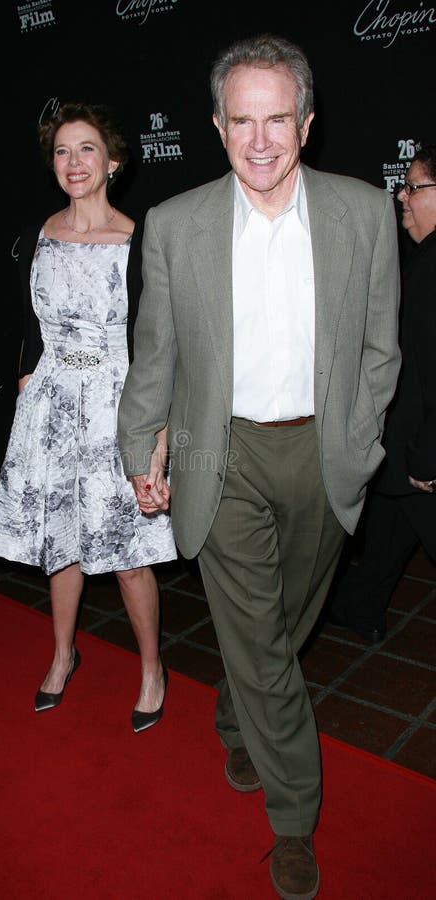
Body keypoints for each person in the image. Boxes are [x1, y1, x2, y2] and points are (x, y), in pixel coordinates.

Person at [117, 34, 400, 900]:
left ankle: (237, 706)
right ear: (217, 125)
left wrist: (355, 443)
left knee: (286, 619)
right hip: (221, 451)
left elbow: (379, 352)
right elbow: (155, 354)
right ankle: (293, 818)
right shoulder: (176, 225)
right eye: (243, 120)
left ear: (307, 124)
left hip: (323, 451)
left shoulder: (362, 212)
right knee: (264, 641)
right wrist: (142, 444)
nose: (262, 140)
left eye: (279, 118)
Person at [0, 101, 176, 733]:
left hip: (119, 409)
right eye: (63, 151)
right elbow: (29, 327)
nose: (74, 162)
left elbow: (157, 348)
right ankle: (64, 653)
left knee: (128, 553)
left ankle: (152, 667)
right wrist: (28, 384)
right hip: (51, 407)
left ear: (113, 161)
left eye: (87, 149)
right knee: (57, 540)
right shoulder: (38, 235)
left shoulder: (138, 240)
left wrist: (157, 439)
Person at [327, 144, 436, 643]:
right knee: (391, 525)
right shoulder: (422, 260)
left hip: (423, 458)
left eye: (414, 187)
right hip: (407, 455)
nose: (402, 196)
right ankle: (359, 606)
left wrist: (426, 460)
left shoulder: (431, 269)